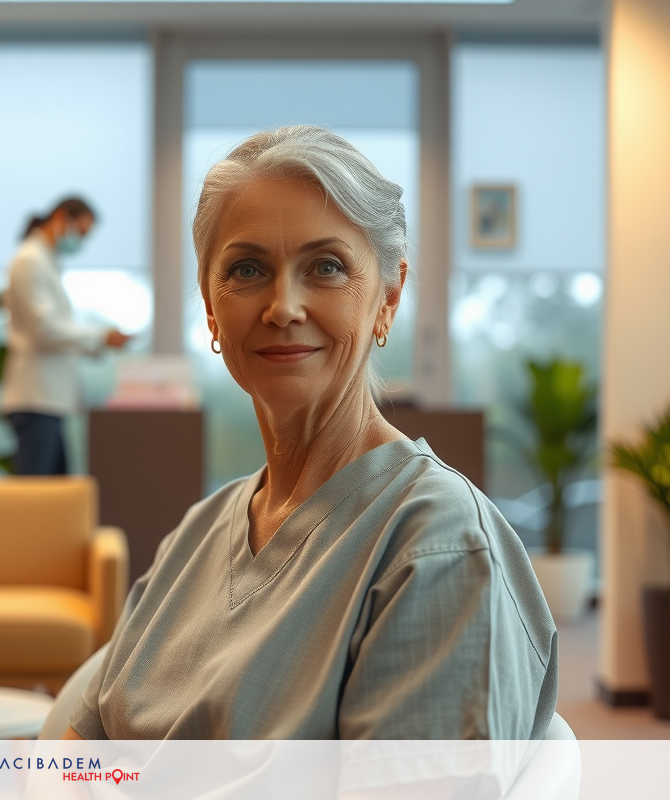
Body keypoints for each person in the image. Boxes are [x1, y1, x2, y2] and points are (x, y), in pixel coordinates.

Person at [66, 126, 557, 739]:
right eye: (247, 269)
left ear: (388, 296)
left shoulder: (437, 545)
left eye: (326, 267)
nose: (283, 307)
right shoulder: (196, 535)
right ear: (211, 307)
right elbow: (77, 756)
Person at [0, 197, 131, 475]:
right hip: (35, 397)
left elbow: (54, 330)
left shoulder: (44, 261)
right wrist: (100, 337)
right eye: (81, 233)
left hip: (46, 399)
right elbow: (45, 329)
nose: (80, 242)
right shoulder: (29, 260)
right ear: (61, 216)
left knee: (54, 496)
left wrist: (101, 340)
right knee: (35, 499)